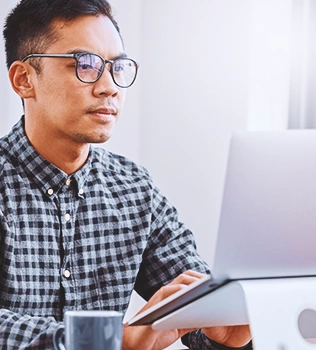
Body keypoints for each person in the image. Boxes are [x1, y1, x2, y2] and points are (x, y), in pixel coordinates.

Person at [0, 0, 252, 349]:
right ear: (24, 79)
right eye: (84, 65)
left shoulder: (135, 189)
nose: (110, 87)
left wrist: (225, 336)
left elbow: (197, 303)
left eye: (117, 67)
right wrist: (109, 340)